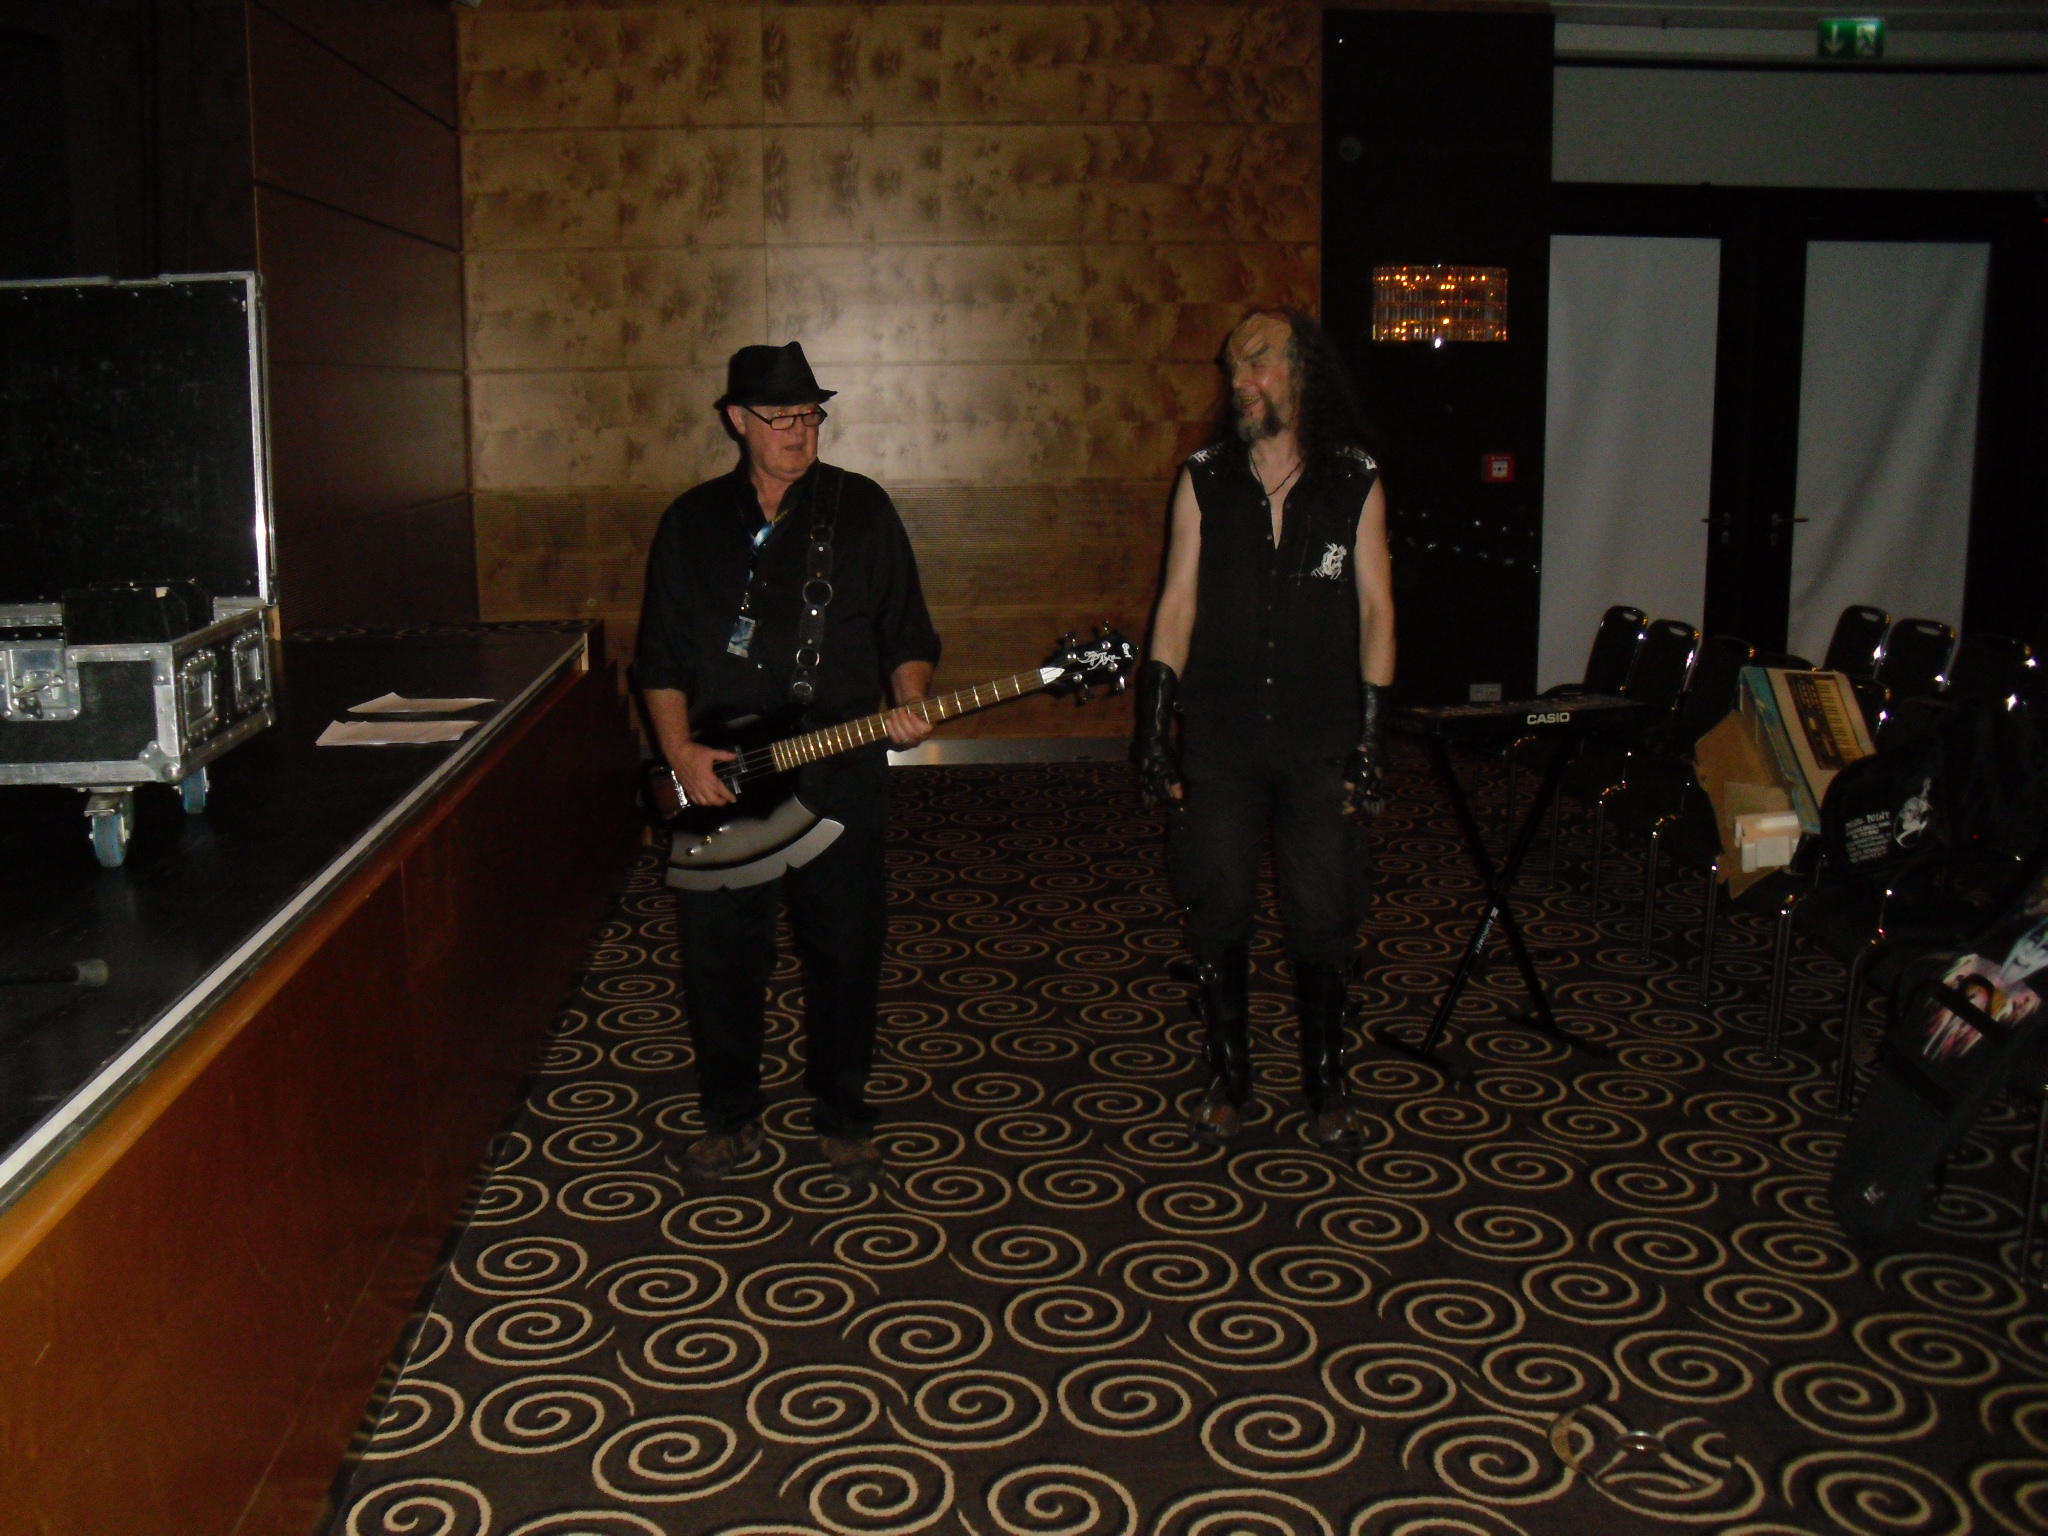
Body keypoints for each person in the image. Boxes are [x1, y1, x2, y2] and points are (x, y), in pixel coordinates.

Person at [635, 341, 941, 1186]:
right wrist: (679, 752)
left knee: (846, 948)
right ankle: (730, 1116)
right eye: (780, 417)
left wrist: (910, 696)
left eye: (810, 415)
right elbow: (659, 656)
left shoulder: (862, 509)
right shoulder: (691, 522)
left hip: (839, 765)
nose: (799, 432)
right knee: (720, 957)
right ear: (738, 421)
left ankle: (843, 1114)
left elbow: (906, 631)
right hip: (721, 774)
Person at [1133, 309, 1396, 1149]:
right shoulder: (1204, 478)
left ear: (1300, 370)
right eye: (1232, 367)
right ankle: (1230, 1075)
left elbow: (1378, 609)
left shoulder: (1354, 479)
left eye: (1256, 363)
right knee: (1219, 907)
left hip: (1320, 738)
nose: (1239, 381)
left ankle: (1326, 1081)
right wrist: (1154, 724)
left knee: (1323, 913)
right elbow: (1176, 604)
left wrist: (1372, 737)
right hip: (1222, 737)